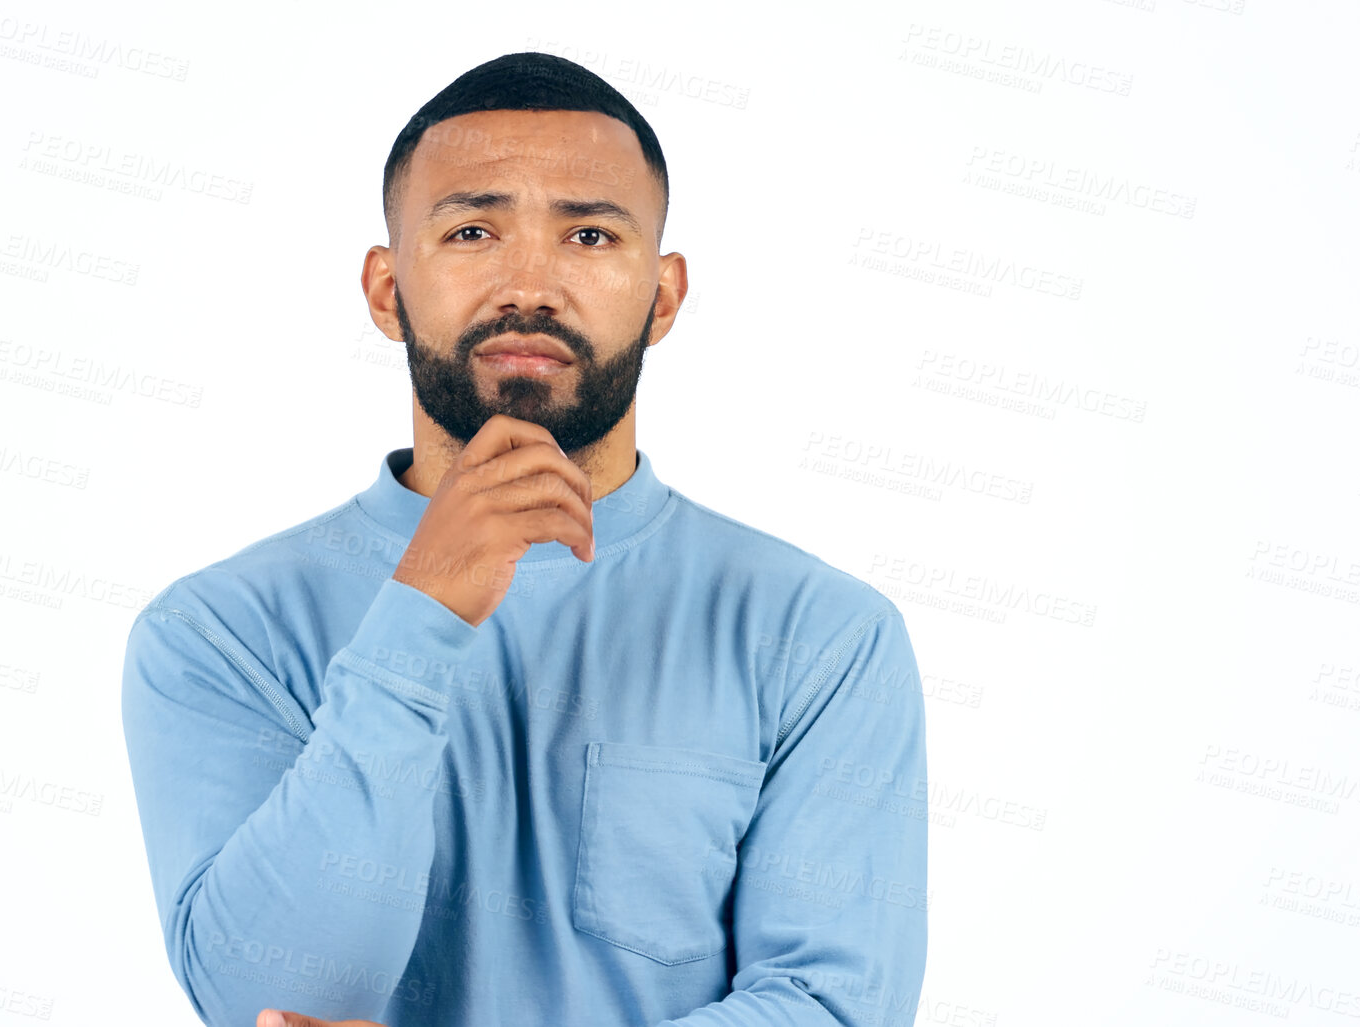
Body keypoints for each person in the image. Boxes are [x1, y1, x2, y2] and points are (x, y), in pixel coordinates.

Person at [121, 51, 929, 1027]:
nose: (530, 284)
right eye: (472, 229)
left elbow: (834, 1007)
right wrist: (414, 621)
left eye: (589, 233)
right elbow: (268, 1004)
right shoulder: (218, 630)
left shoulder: (822, 633)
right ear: (386, 291)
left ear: (663, 296)